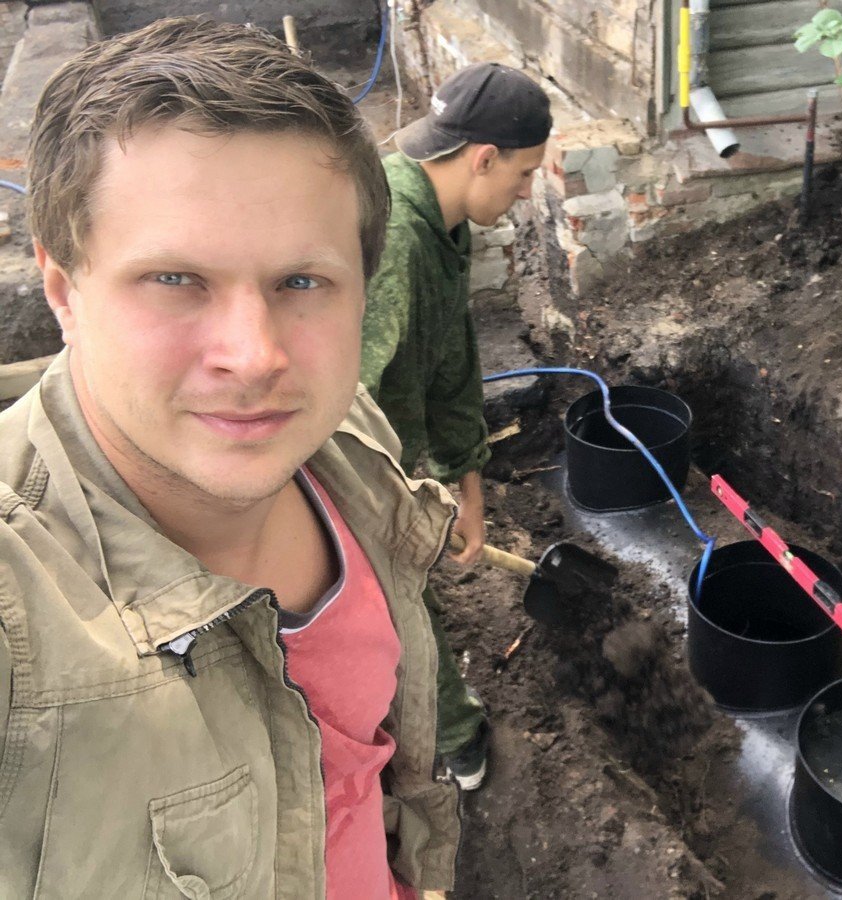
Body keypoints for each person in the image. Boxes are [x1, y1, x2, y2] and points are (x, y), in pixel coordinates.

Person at [0, 18, 459, 899]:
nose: (255, 357)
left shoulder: (348, 449)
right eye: (176, 280)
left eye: (302, 282)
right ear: (64, 291)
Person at [360, 63, 551, 790]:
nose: (526, 192)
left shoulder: (444, 221)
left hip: (387, 455)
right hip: (343, 467)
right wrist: (402, 506)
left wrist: (466, 487)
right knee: (394, 601)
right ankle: (455, 741)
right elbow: (351, 407)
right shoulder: (395, 242)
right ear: (484, 158)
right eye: (524, 174)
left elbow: (450, 365)